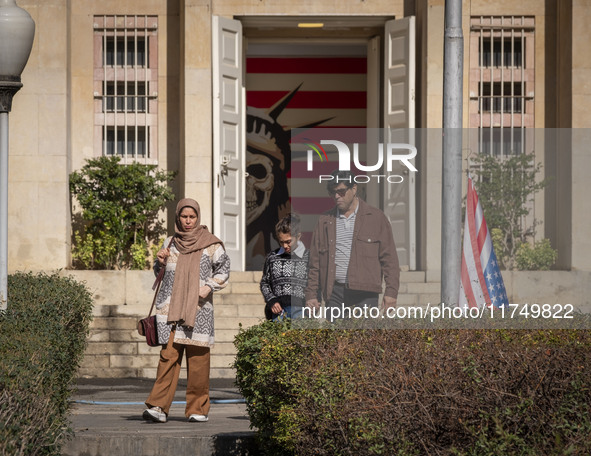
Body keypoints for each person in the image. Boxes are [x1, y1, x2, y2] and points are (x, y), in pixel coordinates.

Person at [143, 198, 230, 423]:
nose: (188, 221)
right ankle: (158, 407)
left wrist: (208, 286)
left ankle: (197, 409)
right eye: (184, 217)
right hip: (171, 310)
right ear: (178, 218)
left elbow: (224, 271)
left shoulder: (211, 244)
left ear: (198, 217)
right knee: (168, 357)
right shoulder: (170, 242)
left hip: (198, 310)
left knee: (199, 362)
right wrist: (159, 262)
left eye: (192, 217)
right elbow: (159, 274)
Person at [305, 170, 400, 321]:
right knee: (335, 342)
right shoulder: (325, 220)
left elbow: (390, 260)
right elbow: (314, 263)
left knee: (363, 341)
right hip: (334, 293)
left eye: (341, 191)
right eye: (333, 192)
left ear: (354, 189)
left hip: (365, 293)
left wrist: (391, 292)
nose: (336, 196)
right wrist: (311, 294)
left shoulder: (376, 218)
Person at [260, 213, 309, 321]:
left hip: (301, 310)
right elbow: (265, 283)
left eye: (288, 242)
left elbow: (314, 283)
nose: (285, 246)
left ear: (298, 236)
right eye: (281, 242)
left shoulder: (308, 257)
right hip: (278, 312)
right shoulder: (272, 257)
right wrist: (271, 300)